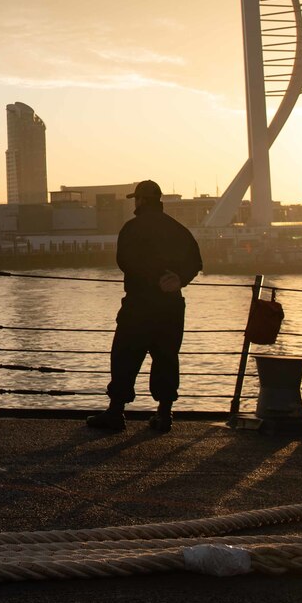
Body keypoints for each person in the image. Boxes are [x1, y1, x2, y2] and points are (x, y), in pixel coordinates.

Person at [86, 180, 202, 434]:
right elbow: (196, 260)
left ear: (140, 201)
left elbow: (125, 262)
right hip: (171, 305)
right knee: (166, 357)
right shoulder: (178, 230)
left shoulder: (132, 228)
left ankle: (116, 412)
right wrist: (178, 278)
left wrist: (151, 280)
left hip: (139, 303)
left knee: (125, 355)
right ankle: (164, 415)